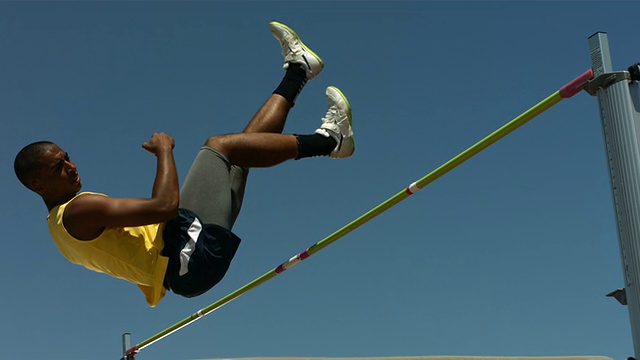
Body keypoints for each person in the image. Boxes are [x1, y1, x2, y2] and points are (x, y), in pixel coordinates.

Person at [13, 21, 355, 307]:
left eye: (67, 157)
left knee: (238, 155)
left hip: (181, 254)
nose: (71, 167)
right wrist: (164, 151)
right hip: (185, 255)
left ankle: (299, 70)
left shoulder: (59, 227)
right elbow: (164, 206)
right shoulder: (77, 210)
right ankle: (329, 141)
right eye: (58, 167)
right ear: (38, 185)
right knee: (219, 146)